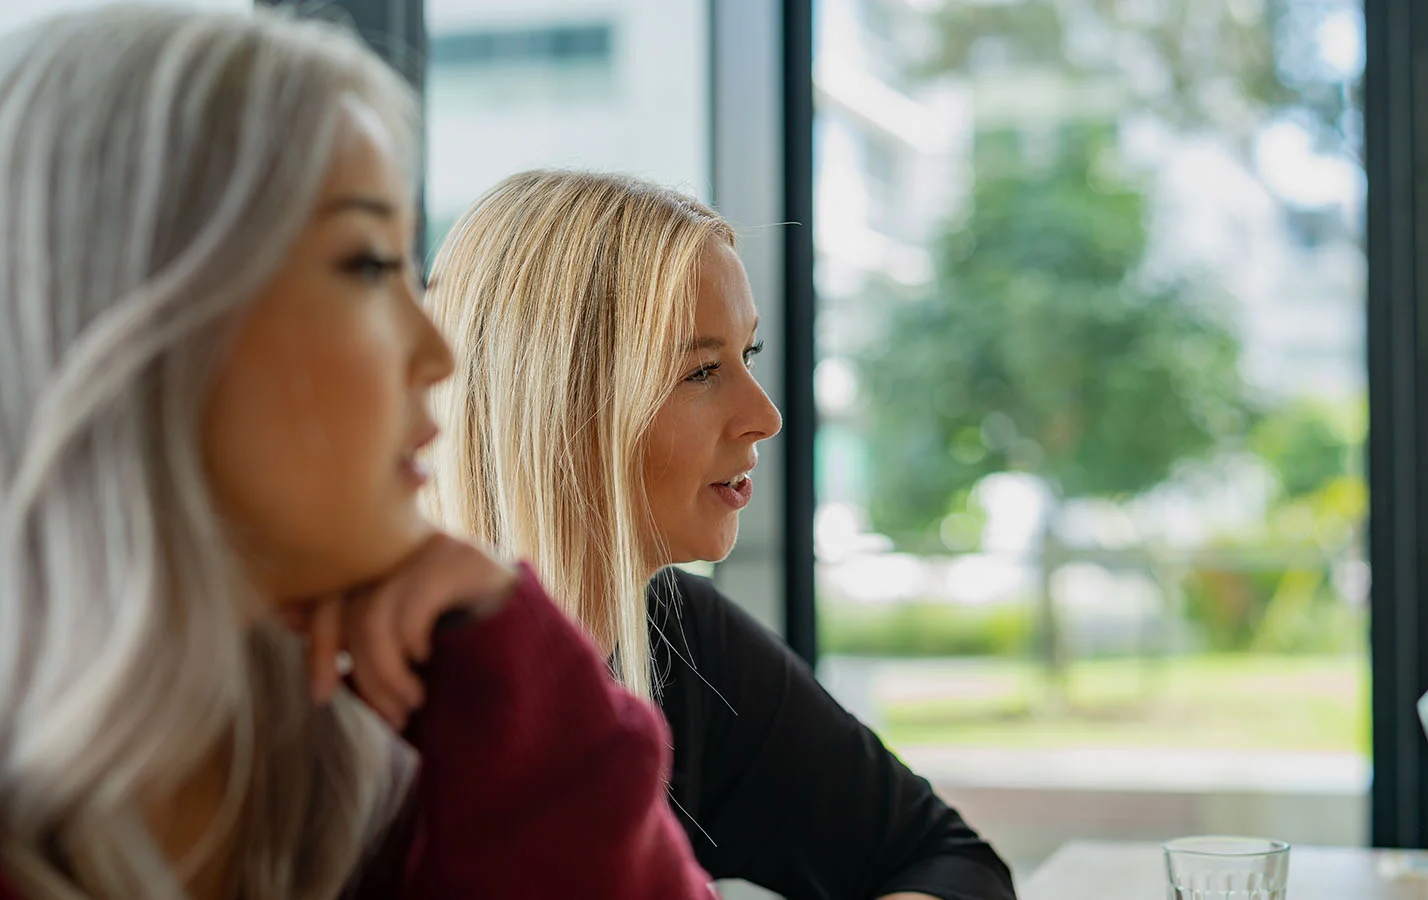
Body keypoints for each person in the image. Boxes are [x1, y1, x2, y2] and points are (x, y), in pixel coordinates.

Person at [0, 7, 713, 899]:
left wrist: (522, 689)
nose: (439, 358)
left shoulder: (378, 752)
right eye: (365, 266)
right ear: (113, 308)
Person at [426, 169, 1018, 900]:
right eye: (702, 370)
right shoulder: (391, 689)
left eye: (750, 356)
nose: (764, 414)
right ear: (559, 404)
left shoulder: (682, 637)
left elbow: (945, 857)